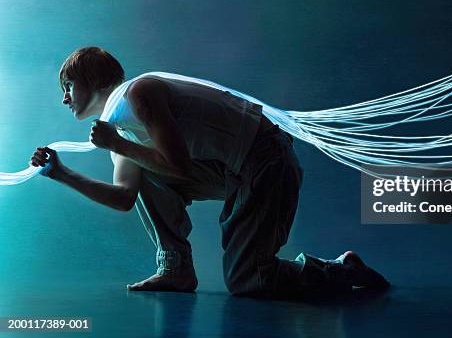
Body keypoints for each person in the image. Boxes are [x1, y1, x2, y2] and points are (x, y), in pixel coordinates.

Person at [29, 46, 390, 297]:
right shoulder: (121, 130)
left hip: (266, 160)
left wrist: (119, 145)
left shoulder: (141, 93)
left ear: (91, 79)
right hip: (232, 171)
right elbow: (125, 197)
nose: (64, 99)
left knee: (251, 281)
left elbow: (179, 166)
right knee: (145, 169)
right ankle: (175, 268)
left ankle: (342, 269)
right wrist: (61, 173)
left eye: (68, 87)